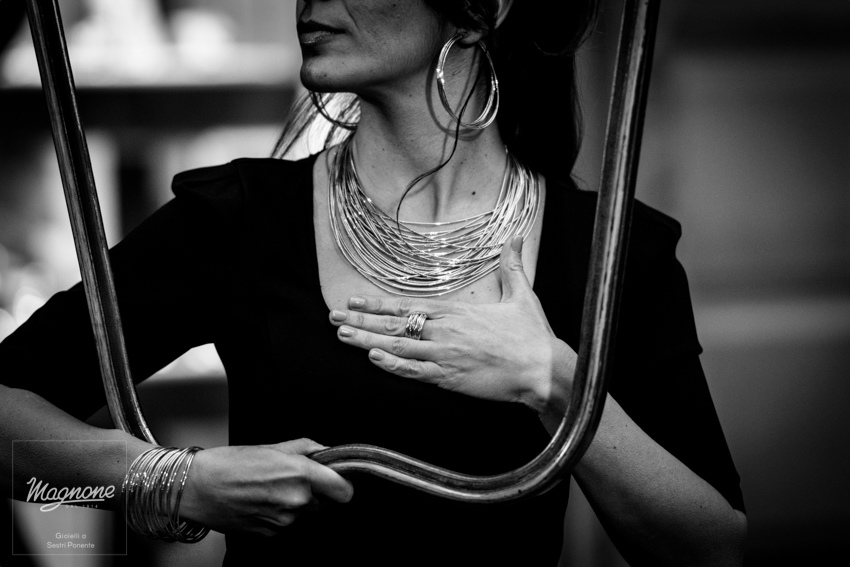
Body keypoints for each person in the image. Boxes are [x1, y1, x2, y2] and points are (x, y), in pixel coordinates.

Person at [0, 0, 747, 565]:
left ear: (479, 9)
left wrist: (554, 380)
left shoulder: (613, 252)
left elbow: (713, 547)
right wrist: (168, 479)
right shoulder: (238, 219)